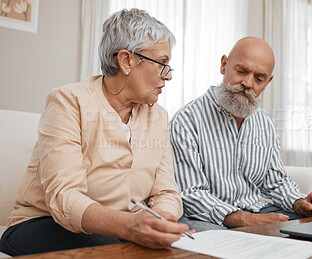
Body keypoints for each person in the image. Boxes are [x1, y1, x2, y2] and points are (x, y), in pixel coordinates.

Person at [0, 8, 190, 256]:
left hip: (120, 229)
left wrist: (163, 219)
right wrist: (130, 226)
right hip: (43, 224)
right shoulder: (68, 101)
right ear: (127, 61)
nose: (168, 76)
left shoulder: (158, 116)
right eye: (162, 63)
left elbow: (166, 191)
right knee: (116, 248)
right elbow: (65, 197)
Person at [170, 36, 312, 232]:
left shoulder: (265, 123)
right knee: (233, 244)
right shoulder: (187, 120)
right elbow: (190, 194)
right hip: (209, 218)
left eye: (259, 78)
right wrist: (242, 219)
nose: (247, 83)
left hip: (257, 209)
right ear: (223, 65)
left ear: (268, 82)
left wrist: (301, 203)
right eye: (241, 71)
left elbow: (276, 181)